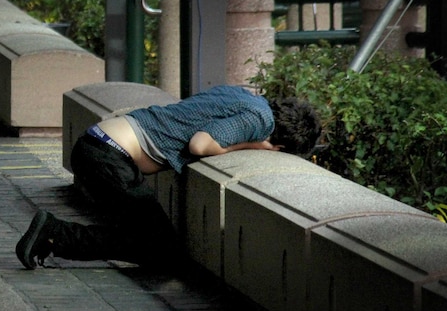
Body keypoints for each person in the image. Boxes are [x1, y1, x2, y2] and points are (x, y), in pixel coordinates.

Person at [16, 84, 321, 270]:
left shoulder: (243, 96)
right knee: (160, 246)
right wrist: (254, 146)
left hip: (99, 145)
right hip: (109, 156)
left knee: (150, 238)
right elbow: (200, 144)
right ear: (282, 146)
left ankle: (54, 236)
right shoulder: (259, 119)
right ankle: (53, 233)